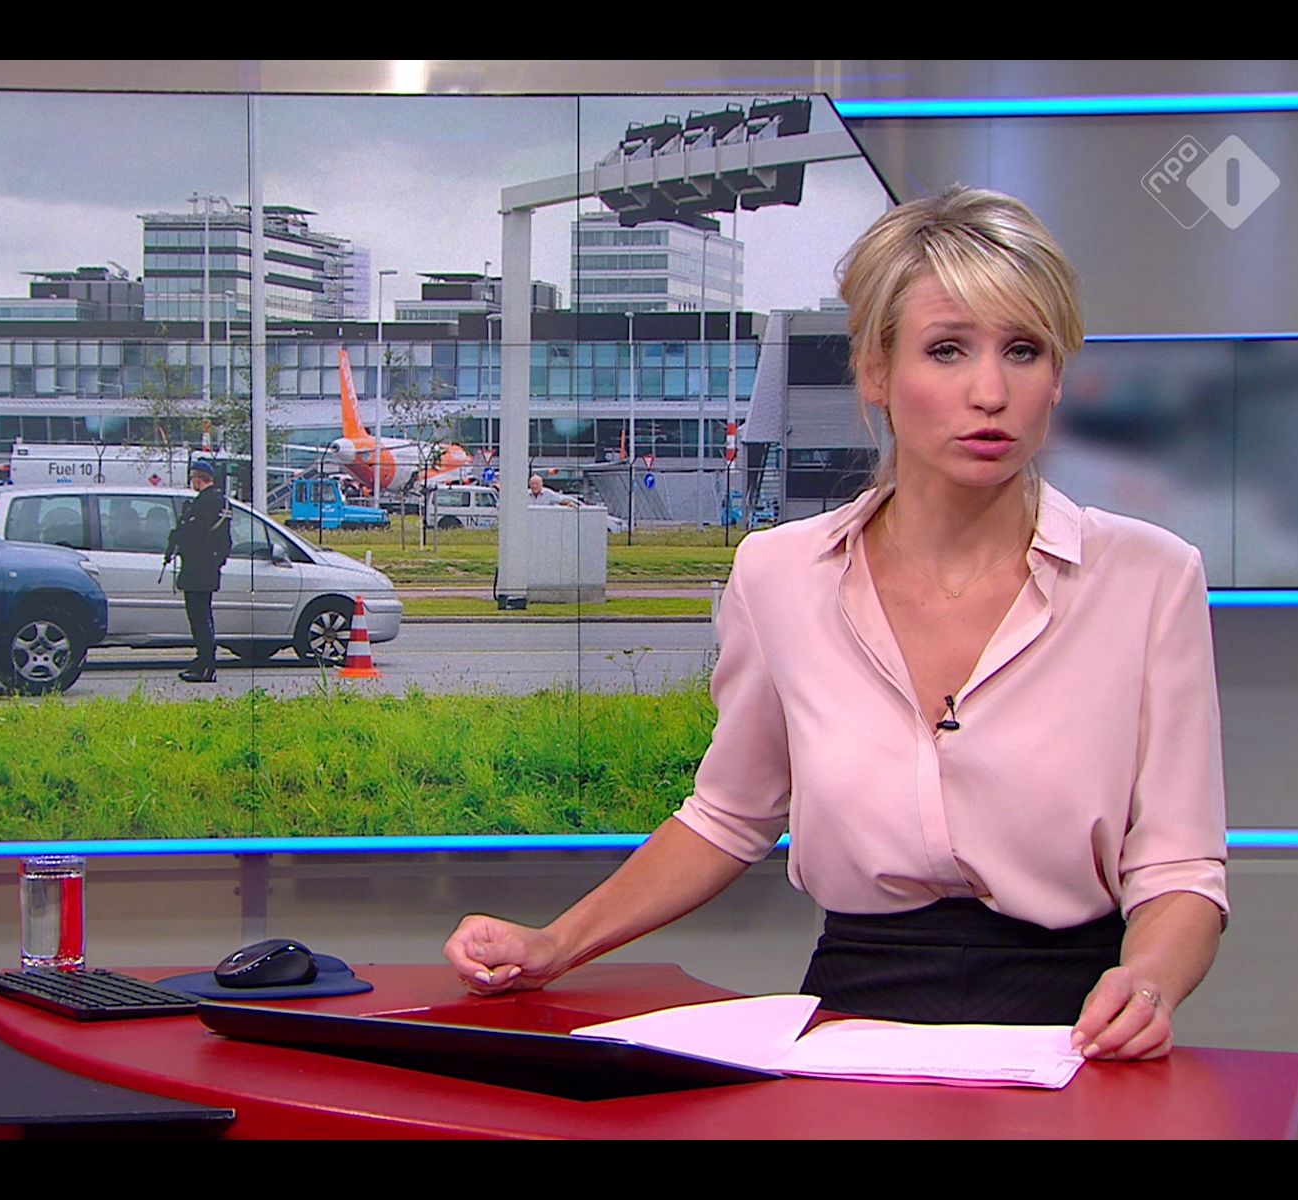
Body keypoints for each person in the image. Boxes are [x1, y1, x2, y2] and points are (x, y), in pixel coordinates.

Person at [444, 185, 1228, 1063]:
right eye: (946, 350)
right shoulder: (780, 575)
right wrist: (556, 943)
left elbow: (1180, 867)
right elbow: (728, 816)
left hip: (1073, 1027)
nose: (990, 391)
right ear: (876, 372)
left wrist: (1147, 982)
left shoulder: (1150, 578)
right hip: (852, 1025)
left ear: (1057, 377)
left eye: (1023, 350)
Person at [165, 460, 232, 683]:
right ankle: (203, 660)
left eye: (192, 477)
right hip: (207, 567)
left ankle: (206, 664)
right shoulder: (220, 501)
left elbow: (194, 534)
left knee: (199, 618)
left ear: (199, 478)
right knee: (202, 616)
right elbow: (225, 541)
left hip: (198, 568)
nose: (191, 481)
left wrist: (178, 542)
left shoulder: (206, 503)